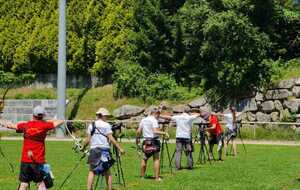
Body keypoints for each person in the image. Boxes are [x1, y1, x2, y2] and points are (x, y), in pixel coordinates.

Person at [2, 105, 64, 190]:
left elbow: (12, 126)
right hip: (38, 160)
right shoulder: (45, 125)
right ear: (42, 115)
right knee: (40, 183)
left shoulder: (26, 125)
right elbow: (59, 122)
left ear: (33, 115)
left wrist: (3, 124)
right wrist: (59, 120)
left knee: (24, 184)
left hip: (25, 160)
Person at [82, 108, 124, 190]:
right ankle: (109, 188)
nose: (107, 118)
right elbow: (111, 138)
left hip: (94, 149)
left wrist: (83, 147)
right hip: (104, 150)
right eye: (107, 116)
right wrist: (120, 148)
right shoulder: (106, 125)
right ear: (103, 116)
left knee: (92, 171)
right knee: (107, 171)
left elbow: (88, 139)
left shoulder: (92, 125)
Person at [136, 108, 169, 181]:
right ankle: (157, 178)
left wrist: (137, 140)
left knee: (144, 159)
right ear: (155, 113)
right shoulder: (154, 120)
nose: (158, 117)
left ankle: (142, 177)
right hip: (154, 141)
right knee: (156, 159)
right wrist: (165, 133)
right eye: (158, 115)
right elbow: (155, 131)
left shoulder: (143, 120)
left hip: (145, 141)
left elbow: (138, 131)